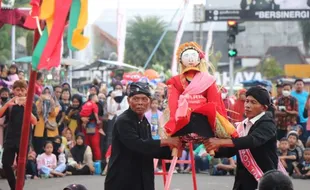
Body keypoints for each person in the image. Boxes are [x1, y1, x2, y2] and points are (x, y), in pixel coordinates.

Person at [104, 82, 181, 190]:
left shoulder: (144, 121)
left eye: (144, 99)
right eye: (136, 99)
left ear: (149, 101)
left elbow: (149, 149)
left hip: (142, 179)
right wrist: (166, 141)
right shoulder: (123, 121)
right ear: (128, 101)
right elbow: (138, 145)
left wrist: (174, 148)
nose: (140, 103)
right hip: (123, 180)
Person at [205, 86, 282, 190]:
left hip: (263, 179)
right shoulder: (243, 124)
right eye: (247, 101)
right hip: (243, 181)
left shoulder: (268, 123)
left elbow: (252, 141)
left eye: (253, 102)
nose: (247, 105)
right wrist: (215, 148)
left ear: (264, 108)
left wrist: (220, 142)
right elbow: (232, 149)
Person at [0, 80, 38, 190]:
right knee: (6, 163)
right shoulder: (10, 104)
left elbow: (35, 121)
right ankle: (14, 187)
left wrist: (26, 107)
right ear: (13, 91)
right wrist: (8, 103)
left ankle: (19, 187)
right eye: (17, 90)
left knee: (21, 166)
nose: (20, 93)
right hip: (10, 138)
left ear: (26, 91)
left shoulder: (31, 104)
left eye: (22, 90)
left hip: (24, 139)